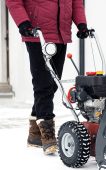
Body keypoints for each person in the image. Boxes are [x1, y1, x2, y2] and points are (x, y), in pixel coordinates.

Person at [6, 0, 89, 155]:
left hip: (61, 34)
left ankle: (35, 134)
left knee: (53, 83)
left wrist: (81, 24)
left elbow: (76, 3)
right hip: (36, 34)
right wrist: (23, 22)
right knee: (42, 83)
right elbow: (14, 2)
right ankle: (47, 134)